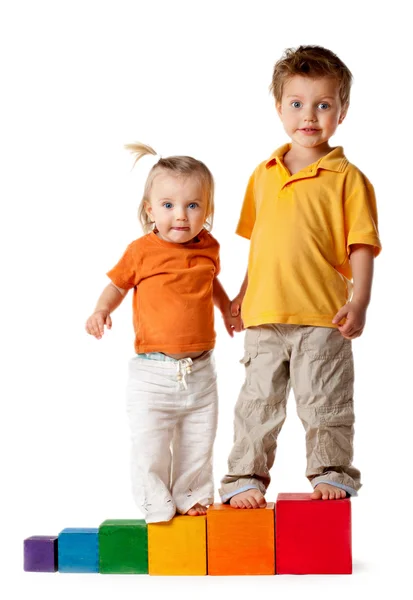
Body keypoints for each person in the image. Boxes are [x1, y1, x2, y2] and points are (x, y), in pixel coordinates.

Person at [219, 45, 382, 508]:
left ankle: (332, 470)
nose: (308, 116)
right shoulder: (263, 175)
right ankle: (244, 477)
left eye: (323, 105)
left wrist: (361, 301)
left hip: (322, 316)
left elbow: (362, 245)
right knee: (256, 404)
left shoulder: (347, 178)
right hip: (264, 314)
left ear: (341, 112)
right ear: (279, 107)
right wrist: (241, 295)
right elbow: (261, 243)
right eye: (296, 103)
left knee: (324, 402)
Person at [86, 143, 240, 523]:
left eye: (193, 205)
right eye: (168, 205)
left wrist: (226, 310)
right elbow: (118, 285)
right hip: (152, 372)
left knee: (198, 440)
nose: (182, 216)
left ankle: (191, 494)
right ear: (150, 209)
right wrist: (101, 309)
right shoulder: (142, 251)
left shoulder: (209, 248)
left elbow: (211, 283)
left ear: (207, 210)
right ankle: (155, 501)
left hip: (201, 370)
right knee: (150, 444)